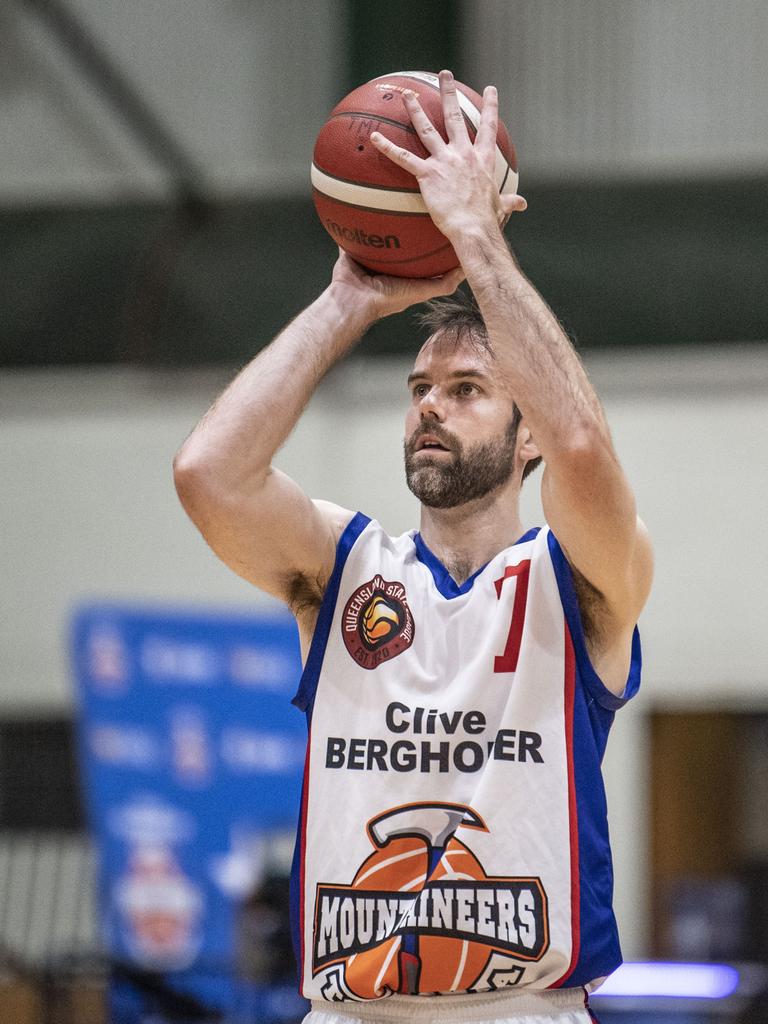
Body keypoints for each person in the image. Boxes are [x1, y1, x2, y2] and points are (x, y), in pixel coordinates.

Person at [174, 70, 653, 1024]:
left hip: (525, 1010)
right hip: (348, 1009)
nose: (431, 403)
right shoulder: (343, 567)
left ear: (527, 440)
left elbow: (587, 446)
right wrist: (350, 298)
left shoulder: (581, 578)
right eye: (419, 389)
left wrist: (477, 237)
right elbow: (208, 475)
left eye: (468, 387)